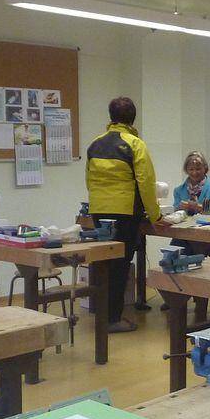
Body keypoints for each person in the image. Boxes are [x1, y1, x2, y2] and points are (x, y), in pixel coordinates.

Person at [86, 97, 162, 333]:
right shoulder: (135, 144)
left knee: (104, 262)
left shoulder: (95, 144)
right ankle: (113, 319)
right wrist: (156, 216)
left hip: (98, 208)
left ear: (110, 116)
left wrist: (99, 203)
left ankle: (102, 313)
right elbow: (146, 183)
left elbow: (89, 180)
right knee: (120, 265)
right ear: (133, 118)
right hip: (125, 210)